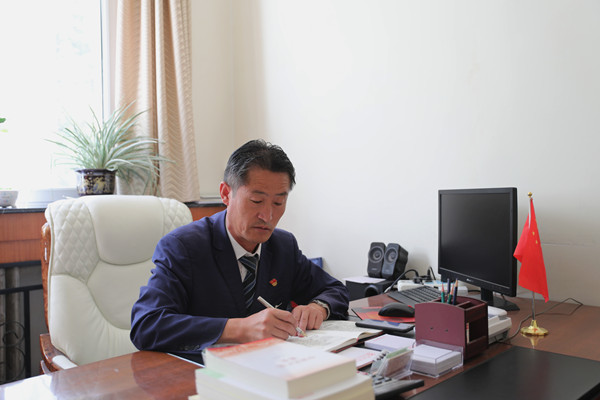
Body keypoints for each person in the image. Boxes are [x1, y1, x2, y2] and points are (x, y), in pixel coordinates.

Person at [130, 139, 349, 360]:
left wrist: (318, 307)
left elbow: (334, 289)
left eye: (278, 203)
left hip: (271, 367)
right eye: (256, 201)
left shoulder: (283, 246)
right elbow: (147, 325)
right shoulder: (183, 247)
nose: (267, 216)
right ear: (226, 194)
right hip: (202, 371)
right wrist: (240, 328)